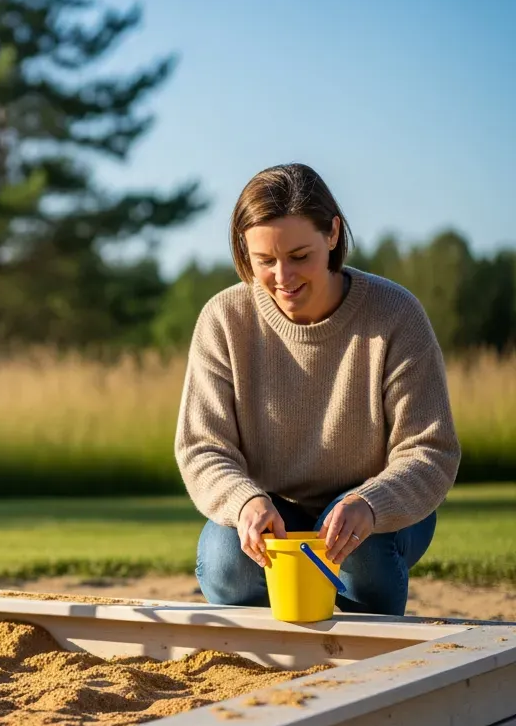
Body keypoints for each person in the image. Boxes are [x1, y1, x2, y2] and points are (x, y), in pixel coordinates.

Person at [174, 163, 460, 616]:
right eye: (264, 261)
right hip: (271, 507)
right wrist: (244, 501)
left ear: (332, 234)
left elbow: (430, 451)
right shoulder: (224, 318)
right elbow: (202, 446)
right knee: (227, 559)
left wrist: (370, 502)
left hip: (375, 508)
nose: (283, 277)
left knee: (363, 557)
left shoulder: (395, 314)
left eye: (299, 256)